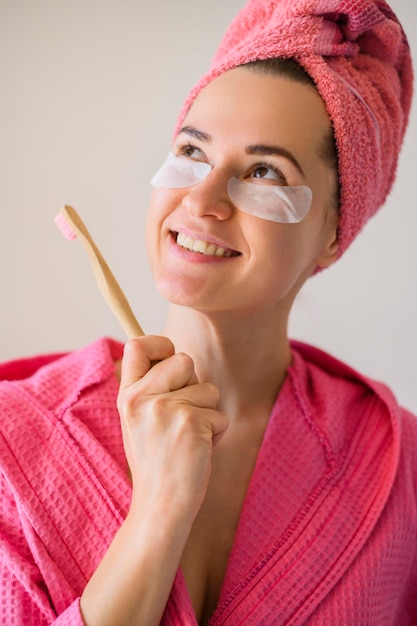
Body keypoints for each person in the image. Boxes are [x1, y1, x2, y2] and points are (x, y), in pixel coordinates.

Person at [0, 0, 416, 624]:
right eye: (192, 152)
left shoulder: (397, 468)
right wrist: (160, 508)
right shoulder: (14, 437)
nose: (201, 197)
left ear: (334, 231)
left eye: (264, 171)